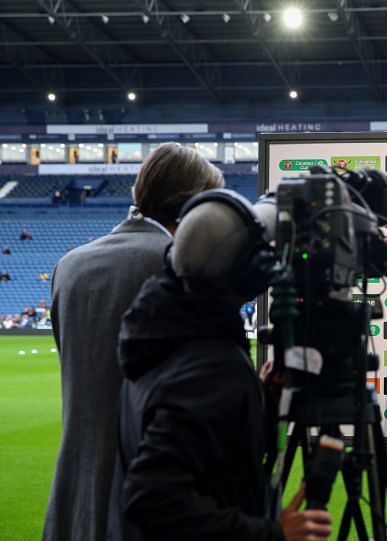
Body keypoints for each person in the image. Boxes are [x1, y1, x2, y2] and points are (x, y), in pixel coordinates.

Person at [107, 189, 332, 540]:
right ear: (249, 273)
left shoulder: (162, 340)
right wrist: (271, 534)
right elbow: (150, 498)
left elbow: (212, 460)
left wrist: (261, 403)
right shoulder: (211, 368)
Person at [43, 142, 225, 541]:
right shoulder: (186, 266)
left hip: (73, 498)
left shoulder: (68, 267)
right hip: (157, 501)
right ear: (193, 206)